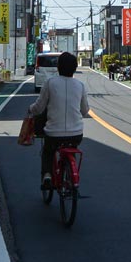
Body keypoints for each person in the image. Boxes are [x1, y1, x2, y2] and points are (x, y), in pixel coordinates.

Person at [28, 51, 90, 189]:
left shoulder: (50, 83)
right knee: (71, 147)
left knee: (48, 151)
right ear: (75, 68)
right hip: (76, 134)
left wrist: (30, 109)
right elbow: (85, 111)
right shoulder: (80, 86)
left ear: (58, 67)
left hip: (53, 134)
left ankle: (47, 176)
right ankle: (69, 173)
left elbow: (39, 107)